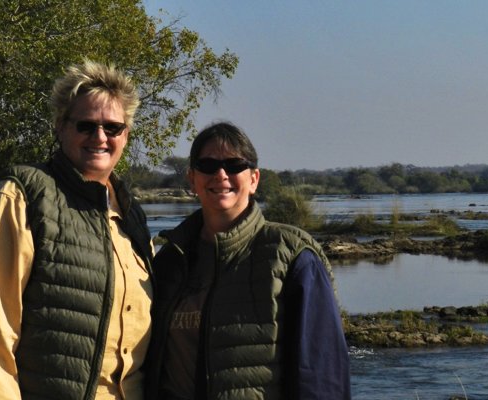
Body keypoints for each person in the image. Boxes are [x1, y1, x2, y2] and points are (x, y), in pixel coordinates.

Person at [0, 60, 154, 400]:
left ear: (126, 135)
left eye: (113, 128)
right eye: (86, 125)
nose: (100, 137)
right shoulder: (18, 199)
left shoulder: (132, 216)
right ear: (60, 126)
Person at [145, 122, 351, 399]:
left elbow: (321, 374)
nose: (221, 175)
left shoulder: (291, 255)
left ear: (254, 179)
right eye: (207, 165)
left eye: (234, 165)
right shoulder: (170, 262)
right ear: (192, 179)